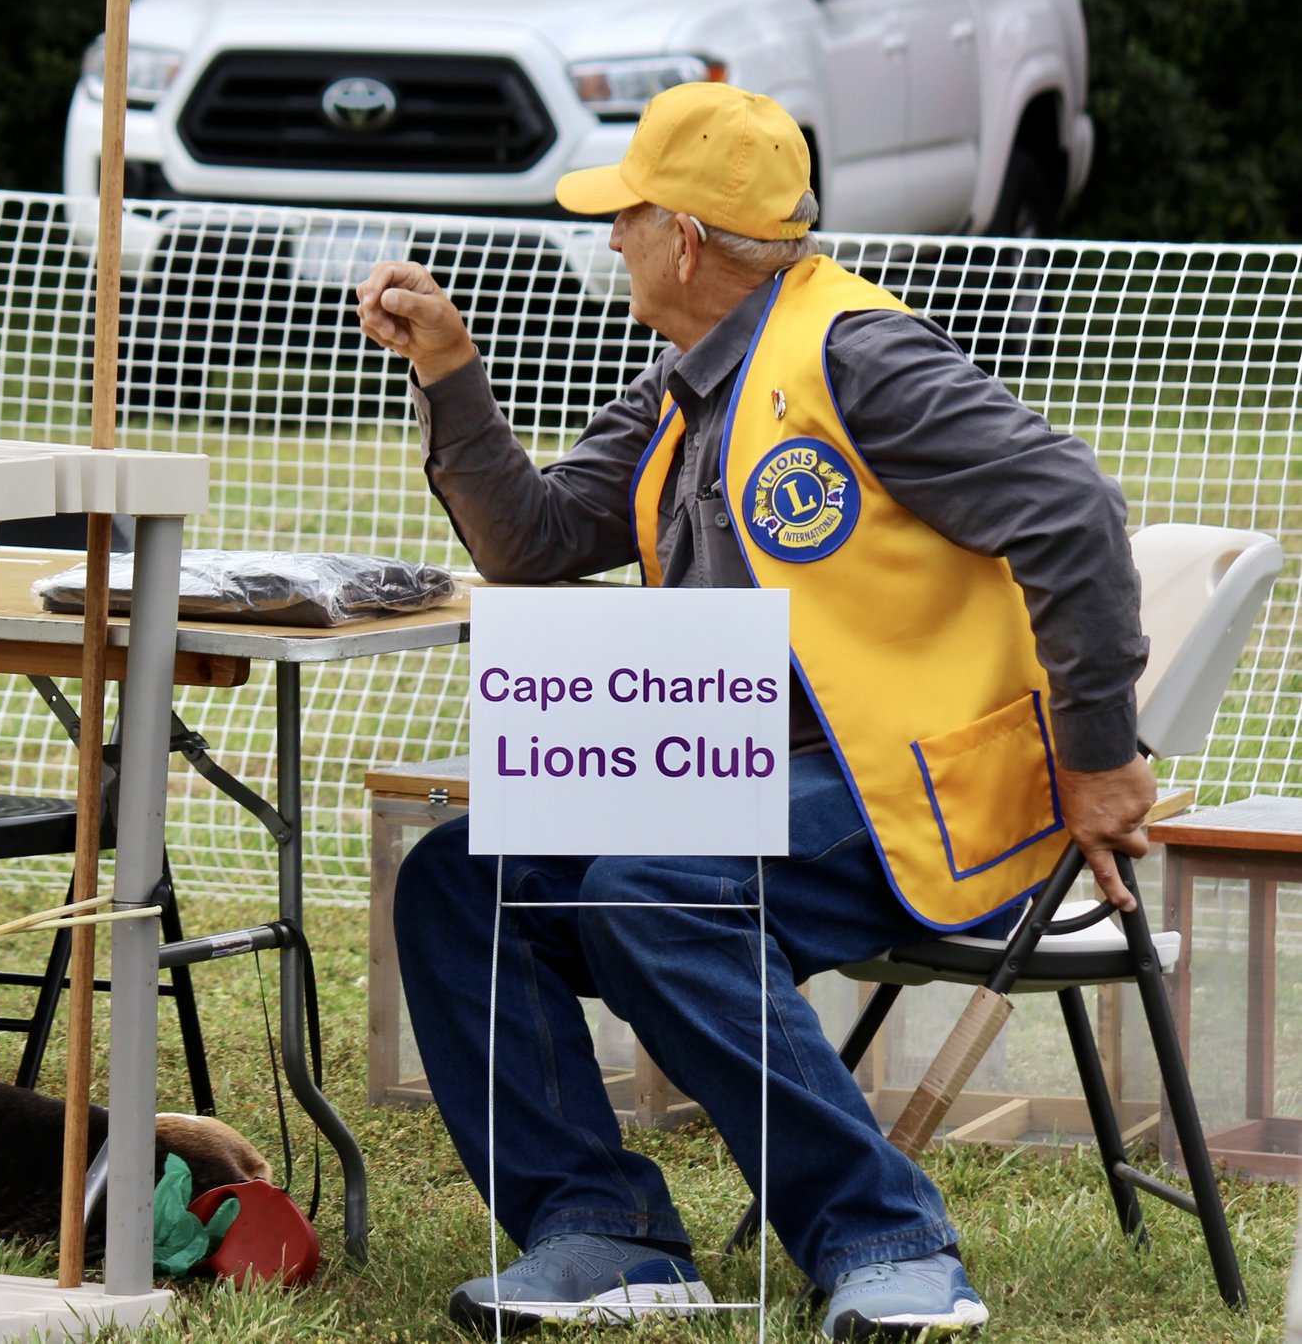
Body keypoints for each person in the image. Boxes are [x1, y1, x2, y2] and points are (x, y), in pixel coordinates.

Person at [355, 83, 1154, 1340]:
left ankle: (890, 1240)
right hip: (760, 775)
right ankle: (605, 1233)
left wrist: (1100, 757)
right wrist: (450, 373)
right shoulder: (690, 381)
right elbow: (539, 539)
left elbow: (1074, 512)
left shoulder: (860, 353)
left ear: (680, 234)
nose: (606, 239)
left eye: (622, 216)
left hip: (928, 790)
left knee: (649, 881)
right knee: (458, 876)